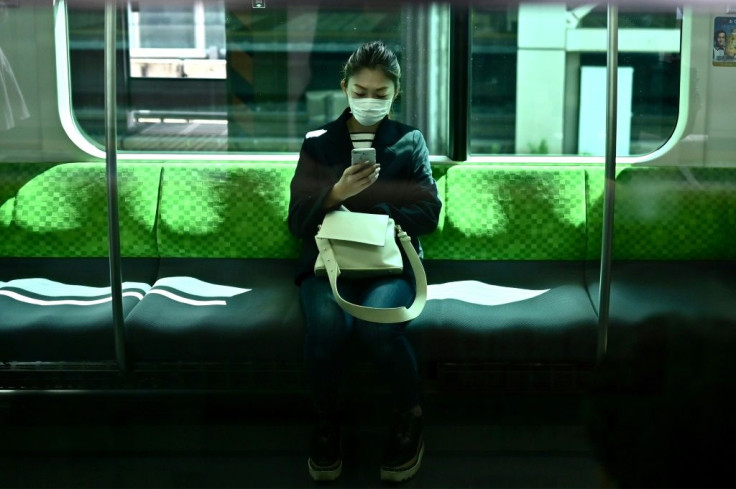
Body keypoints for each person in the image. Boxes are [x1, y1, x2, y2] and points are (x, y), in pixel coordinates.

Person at [288, 40, 441, 483]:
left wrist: (375, 213)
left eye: (381, 93)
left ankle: (409, 414)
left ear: (396, 95)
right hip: (328, 259)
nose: (369, 100)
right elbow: (297, 220)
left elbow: (429, 214)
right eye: (361, 90)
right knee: (328, 326)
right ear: (344, 88)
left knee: (378, 324)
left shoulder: (409, 141)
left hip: (390, 258)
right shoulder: (318, 143)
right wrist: (335, 193)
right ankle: (327, 420)